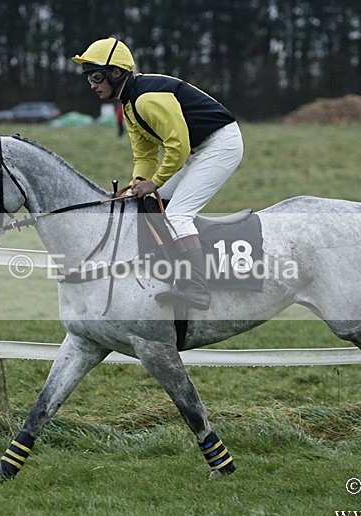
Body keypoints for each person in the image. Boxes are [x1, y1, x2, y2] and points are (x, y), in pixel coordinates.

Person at [73, 37, 244, 311]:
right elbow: (145, 155)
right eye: (88, 78)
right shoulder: (128, 104)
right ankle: (166, 269)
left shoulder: (146, 100)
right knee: (146, 201)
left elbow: (178, 146)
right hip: (197, 149)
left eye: (95, 76)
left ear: (115, 73)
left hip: (220, 144)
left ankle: (197, 288)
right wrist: (137, 185)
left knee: (177, 214)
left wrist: (154, 182)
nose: (92, 84)